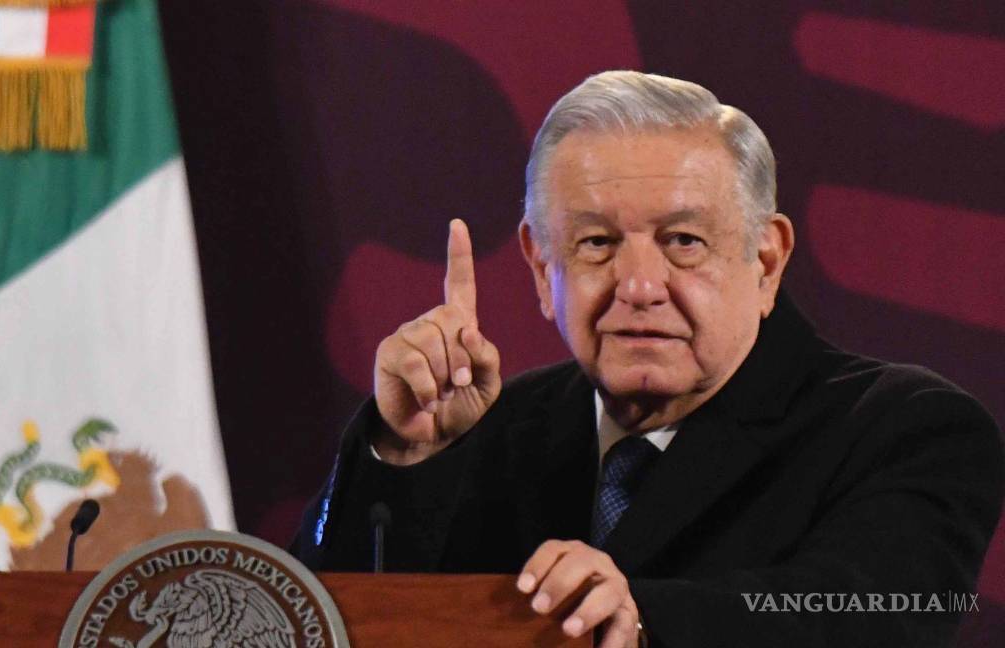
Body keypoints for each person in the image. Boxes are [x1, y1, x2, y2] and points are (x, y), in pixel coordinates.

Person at [290, 71, 1004, 647]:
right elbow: (303, 623)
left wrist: (642, 617)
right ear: (543, 269)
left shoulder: (906, 429)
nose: (638, 287)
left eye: (684, 241)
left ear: (766, 260)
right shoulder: (482, 433)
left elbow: (877, 616)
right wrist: (403, 463)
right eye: (596, 243)